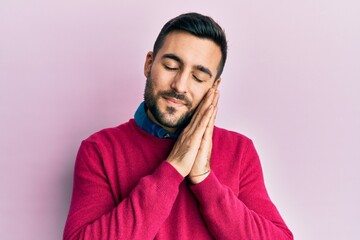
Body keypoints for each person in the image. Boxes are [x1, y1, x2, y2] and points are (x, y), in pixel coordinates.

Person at [63, 12, 293, 240]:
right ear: (149, 64)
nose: (180, 85)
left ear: (214, 86)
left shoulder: (240, 151)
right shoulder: (99, 150)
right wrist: (173, 169)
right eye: (171, 66)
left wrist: (204, 178)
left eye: (198, 77)